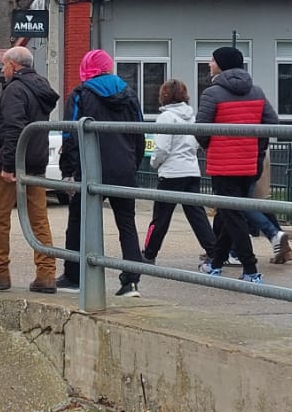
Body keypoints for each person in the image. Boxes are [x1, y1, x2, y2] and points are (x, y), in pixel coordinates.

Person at [0, 45, 60, 294]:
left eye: (3, 65)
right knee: (39, 219)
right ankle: (46, 274)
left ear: (13, 65)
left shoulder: (15, 89)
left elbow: (13, 126)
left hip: (14, 165)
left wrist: (9, 165)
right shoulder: (38, 87)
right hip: (37, 162)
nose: (1, 69)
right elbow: (9, 115)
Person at [57, 50, 145, 297]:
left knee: (78, 222)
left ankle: (73, 276)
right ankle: (131, 283)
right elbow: (139, 133)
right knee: (127, 224)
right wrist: (132, 165)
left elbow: (70, 135)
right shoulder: (129, 94)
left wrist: (70, 172)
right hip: (125, 169)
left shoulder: (80, 94)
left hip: (91, 170)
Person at [195, 45, 280, 285]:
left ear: (221, 64)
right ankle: (215, 262)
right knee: (228, 213)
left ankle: (251, 268)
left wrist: (212, 146)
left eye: (211, 61)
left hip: (223, 164)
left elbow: (200, 128)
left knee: (232, 216)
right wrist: (258, 149)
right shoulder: (256, 91)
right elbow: (272, 124)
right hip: (250, 163)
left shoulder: (212, 93)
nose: (209, 64)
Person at [144, 79, 223, 269]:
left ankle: (149, 253)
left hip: (171, 173)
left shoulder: (166, 117)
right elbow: (197, 142)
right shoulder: (192, 116)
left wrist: (154, 162)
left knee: (161, 217)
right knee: (197, 217)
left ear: (164, 95)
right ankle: (214, 252)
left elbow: (162, 148)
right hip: (191, 170)